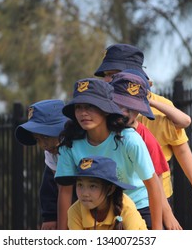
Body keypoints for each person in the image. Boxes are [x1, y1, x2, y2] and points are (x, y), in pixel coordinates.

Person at [94, 43, 192, 223]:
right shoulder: (102, 108)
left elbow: (181, 148)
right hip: (114, 194)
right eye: (107, 75)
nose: (109, 80)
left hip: (156, 198)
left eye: (114, 74)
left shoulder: (160, 109)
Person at [54, 78, 163, 230]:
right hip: (94, 210)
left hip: (138, 207)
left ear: (106, 108)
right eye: (78, 107)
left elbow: (153, 186)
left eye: (90, 106)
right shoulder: (70, 143)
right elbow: (65, 191)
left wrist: (157, 233)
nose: (83, 113)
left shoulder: (129, 139)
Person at [110, 71, 182, 230]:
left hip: (141, 206)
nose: (125, 113)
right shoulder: (100, 129)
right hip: (107, 205)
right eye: (120, 105)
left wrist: (167, 214)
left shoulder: (144, 138)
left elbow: (156, 179)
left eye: (133, 108)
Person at [15, 99, 68, 230]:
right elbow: (51, 185)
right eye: (37, 139)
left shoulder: (77, 147)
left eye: (46, 136)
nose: (43, 145)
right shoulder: (51, 151)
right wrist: (50, 217)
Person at [57, 156, 147, 230]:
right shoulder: (74, 211)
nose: (84, 193)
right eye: (80, 185)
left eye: (92, 186)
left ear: (110, 189)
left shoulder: (126, 208)